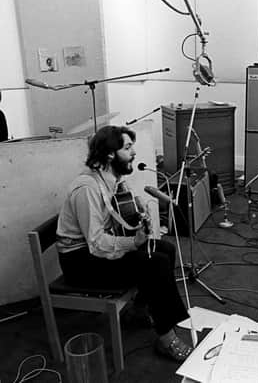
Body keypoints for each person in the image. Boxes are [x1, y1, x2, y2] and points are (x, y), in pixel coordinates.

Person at [55, 125, 192, 361]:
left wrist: (138, 213)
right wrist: (132, 242)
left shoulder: (110, 178)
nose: (133, 153)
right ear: (110, 153)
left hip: (93, 251)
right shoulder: (86, 189)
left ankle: (140, 310)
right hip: (79, 262)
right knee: (154, 263)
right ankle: (166, 337)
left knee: (166, 249)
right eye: (127, 148)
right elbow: (96, 243)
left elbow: (120, 211)